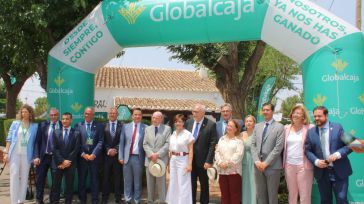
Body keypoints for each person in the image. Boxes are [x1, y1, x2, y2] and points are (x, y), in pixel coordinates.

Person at [305, 106, 352, 204]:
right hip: (322, 174)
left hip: (339, 171)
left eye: (319, 116)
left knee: (342, 199)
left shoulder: (337, 127)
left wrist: (338, 154)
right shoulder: (311, 132)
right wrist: (316, 161)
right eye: (315, 116)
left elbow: (352, 145)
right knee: (325, 201)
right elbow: (307, 150)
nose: (316, 118)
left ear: (326, 116)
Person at [2, 104, 38, 204]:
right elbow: (9, 138)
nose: (24, 114)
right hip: (14, 153)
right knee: (14, 176)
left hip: (27, 155)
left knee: (24, 177)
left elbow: (35, 143)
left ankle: (21, 200)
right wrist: (6, 152)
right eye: (22, 112)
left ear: (30, 113)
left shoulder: (35, 126)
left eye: (26, 112)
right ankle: (14, 201)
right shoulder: (15, 123)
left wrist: (35, 156)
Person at [251, 102, 284, 204]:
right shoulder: (257, 126)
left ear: (272, 111)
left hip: (272, 167)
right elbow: (253, 145)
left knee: (272, 196)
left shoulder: (279, 127)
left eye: (267, 110)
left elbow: (278, 148)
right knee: (260, 195)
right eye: (264, 110)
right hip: (258, 167)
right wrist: (256, 161)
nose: (265, 112)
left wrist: (266, 163)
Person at [185, 103, 217, 204]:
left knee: (204, 185)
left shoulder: (211, 124)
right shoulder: (188, 123)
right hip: (190, 161)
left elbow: (212, 144)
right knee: (191, 184)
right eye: (193, 111)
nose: (194, 114)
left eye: (196, 112)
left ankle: (204, 202)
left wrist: (209, 160)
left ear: (203, 113)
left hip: (203, 161)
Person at [283, 105, 314, 204]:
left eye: (298, 113)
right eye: (294, 112)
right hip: (289, 165)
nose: (295, 115)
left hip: (304, 166)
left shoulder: (310, 128)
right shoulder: (286, 128)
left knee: (305, 195)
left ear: (303, 117)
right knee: (292, 194)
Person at [75, 107, 104, 204]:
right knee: (82, 180)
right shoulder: (78, 125)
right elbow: (76, 143)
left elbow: (100, 141)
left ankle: (95, 200)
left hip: (94, 159)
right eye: (86, 113)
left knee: (95, 180)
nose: (87, 115)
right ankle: (82, 200)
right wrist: (83, 154)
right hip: (82, 159)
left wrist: (93, 154)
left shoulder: (99, 126)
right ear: (84, 114)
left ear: (93, 115)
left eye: (90, 113)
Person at [50, 112, 80, 204]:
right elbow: (54, 148)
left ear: (71, 120)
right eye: (63, 119)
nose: (64, 121)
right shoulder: (56, 132)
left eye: (67, 119)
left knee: (69, 186)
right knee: (56, 186)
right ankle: (55, 201)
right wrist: (62, 161)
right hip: (58, 164)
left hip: (70, 164)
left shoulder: (76, 133)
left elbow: (76, 149)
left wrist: (67, 162)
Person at [33, 108, 61, 204]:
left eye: (55, 115)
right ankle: (39, 199)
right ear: (49, 115)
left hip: (56, 158)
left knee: (56, 180)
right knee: (40, 179)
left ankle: (54, 200)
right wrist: (36, 156)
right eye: (52, 115)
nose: (53, 117)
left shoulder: (62, 125)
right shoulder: (42, 125)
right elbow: (37, 142)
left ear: (58, 115)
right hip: (43, 157)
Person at [119, 108, 146, 204]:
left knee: (138, 182)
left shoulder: (146, 128)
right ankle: (127, 199)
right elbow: (122, 143)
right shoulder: (125, 127)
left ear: (141, 116)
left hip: (138, 158)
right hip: (127, 158)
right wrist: (120, 157)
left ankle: (137, 200)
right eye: (135, 114)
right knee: (127, 181)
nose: (137, 116)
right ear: (132, 116)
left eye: (139, 115)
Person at [143, 111, 171, 204]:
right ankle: (150, 201)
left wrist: (157, 154)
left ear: (161, 119)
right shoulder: (147, 129)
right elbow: (145, 144)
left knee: (161, 183)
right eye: (153, 118)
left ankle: (162, 201)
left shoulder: (167, 129)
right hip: (149, 159)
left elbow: (167, 144)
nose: (154, 119)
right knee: (150, 183)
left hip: (161, 160)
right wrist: (151, 154)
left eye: (157, 118)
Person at [166, 114, 194, 204]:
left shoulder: (188, 134)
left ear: (183, 123)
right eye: (176, 121)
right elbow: (170, 151)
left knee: (183, 183)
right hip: (173, 159)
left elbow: (190, 150)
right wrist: (169, 164)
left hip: (183, 159)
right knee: (173, 182)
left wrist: (189, 164)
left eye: (180, 121)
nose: (178, 123)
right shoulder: (173, 134)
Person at [215, 119, 244, 204]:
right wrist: (220, 162)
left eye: (231, 126)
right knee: (224, 195)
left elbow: (238, 155)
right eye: (228, 125)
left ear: (236, 129)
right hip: (222, 171)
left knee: (234, 195)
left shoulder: (239, 141)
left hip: (234, 172)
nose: (228, 127)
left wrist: (227, 164)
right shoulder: (221, 139)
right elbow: (217, 152)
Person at [102, 107, 123, 204]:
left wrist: (116, 149)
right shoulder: (103, 125)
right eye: (111, 113)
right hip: (106, 156)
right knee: (105, 177)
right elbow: (102, 140)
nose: (112, 115)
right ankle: (105, 197)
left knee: (117, 177)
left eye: (114, 113)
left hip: (117, 156)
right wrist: (108, 149)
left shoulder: (122, 125)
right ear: (108, 114)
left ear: (117, 114)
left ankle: (118, 197)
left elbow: (123, 141)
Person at [241, 115, 257, 204]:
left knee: (252, 184)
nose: (248, 123)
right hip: (242, 162)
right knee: (244, 184)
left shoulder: (257, 134)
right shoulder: (241, 134)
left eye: (250, 121)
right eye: (247, 121)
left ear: (254, 123)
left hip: (253, 161)